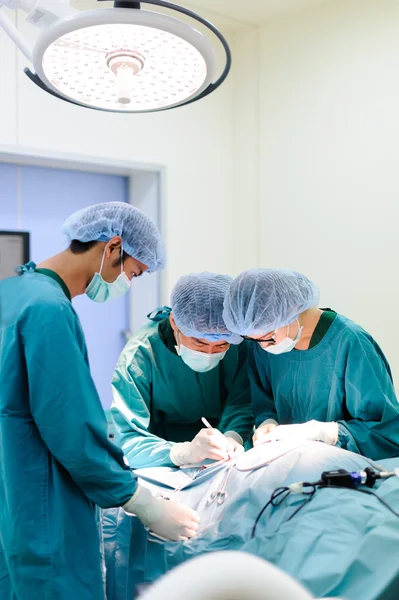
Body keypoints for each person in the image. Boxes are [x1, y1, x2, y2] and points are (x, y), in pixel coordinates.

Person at [0, 202, 199, 600]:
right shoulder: (49, 312)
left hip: (12, 498)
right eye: (134, 272)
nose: (129, 282)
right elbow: (70, 427)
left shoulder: (13, 292)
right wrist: (144, 503)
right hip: (42, 509)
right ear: (112, 248)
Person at [223, 268, 399, 460]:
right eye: (255, 340)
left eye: (269, 338)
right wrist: (268, 422)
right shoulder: (262, 345)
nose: (264, 347)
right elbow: (264, 402)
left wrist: (327, 433)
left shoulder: (352, 343)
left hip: (343, 469)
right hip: (287, 464)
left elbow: (387, 433)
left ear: (290, 310)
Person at [111, 272, 253, 469]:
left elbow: (242, 404)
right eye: (199, 342)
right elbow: (128, 443)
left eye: (221, 346)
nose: (209, 352)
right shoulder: (140, 356)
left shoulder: (240, 345)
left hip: (223, 463)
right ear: (174, 322)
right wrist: (182, 453)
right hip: (160, 462)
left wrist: (233, 437)